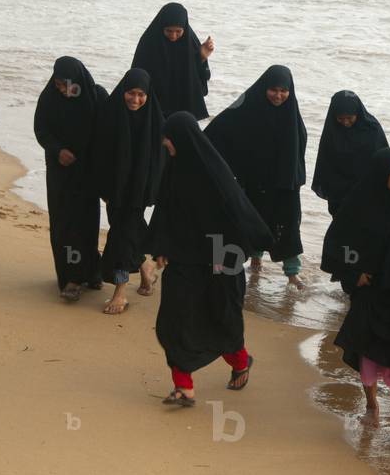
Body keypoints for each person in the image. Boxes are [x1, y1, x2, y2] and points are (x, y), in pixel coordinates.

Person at [149, 112, 274, 407]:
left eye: (169, 139)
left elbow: (239, 212)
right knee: (174, 317)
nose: (165, 143)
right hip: (184, 255)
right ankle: (183, 387)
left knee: (222, 315)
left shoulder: (215, 174)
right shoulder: (173, 170)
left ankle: (240, 361)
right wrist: (161, 246)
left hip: (220, 255)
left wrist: (258, 242)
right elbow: (164, 212)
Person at [320, 148, 390, 441]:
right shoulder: (361, 203)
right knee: (367, 351)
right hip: (371, 292)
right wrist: (354, 272)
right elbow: (336, 242)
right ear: (382, 176)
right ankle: (372, 404)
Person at [205, 65, 307, 288]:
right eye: (273, 90)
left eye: (283, 91)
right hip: (253, 181)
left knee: (287, 225)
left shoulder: (292, 115)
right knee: (252, 220)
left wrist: (292, 180)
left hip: (284, 184)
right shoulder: (248, 106)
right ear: (264, 88)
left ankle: (292, 272)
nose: (279, 96)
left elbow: (299, 152)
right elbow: (217, 130)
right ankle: (255, 259)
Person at [33, 56, 107, 301]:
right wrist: (57, 150)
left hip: (87, 173)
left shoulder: (96, 96)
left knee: (86, 223)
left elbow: (111, 131)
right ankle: (70, 279)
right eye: (59, 85)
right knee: (64, 223)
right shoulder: (49, 98)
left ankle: (91, 271)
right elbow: (41, 129)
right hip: (60, 172)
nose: (64, 91)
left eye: (69, 86)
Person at [93, 68, 165, 315]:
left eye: (141, 95)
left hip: (138, 191)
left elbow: (159, 160)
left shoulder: (155, 120)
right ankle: (145, 266)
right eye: (131, 93)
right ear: (123, 91)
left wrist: (150, 190)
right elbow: (99, 154)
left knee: (121, 236)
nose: (135, 100)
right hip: (114, 189)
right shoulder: (110, 113)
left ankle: (120, 291)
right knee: (127, 229)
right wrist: (103, 187)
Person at [132, 2, 214, 119]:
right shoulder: (148, 43)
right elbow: (137, 77)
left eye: (178, 31)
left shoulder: (190, 43)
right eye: (169, 31)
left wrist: (201, 58)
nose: (173, 36)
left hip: (182, 109)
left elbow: (200, 82)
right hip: (153, 108)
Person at [311, 90, 387, 215]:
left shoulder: (372, 130)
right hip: (339, 196)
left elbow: (383, 163)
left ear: (357, 113)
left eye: (350, 118)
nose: (345, 122)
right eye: (341, 118)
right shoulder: (332, 131)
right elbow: (325, 163)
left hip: (367, 194)